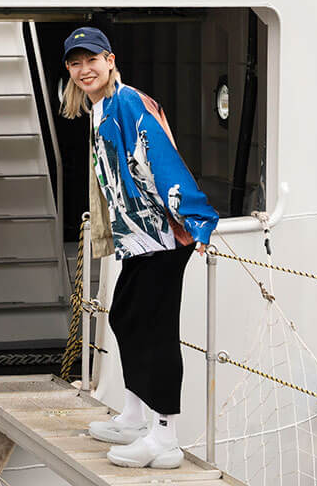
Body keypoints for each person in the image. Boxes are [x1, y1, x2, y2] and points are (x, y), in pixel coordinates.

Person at [60, 26, 218, 470]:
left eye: (92, 60)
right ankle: (133, 417)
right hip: (138, 238)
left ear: (109, 60)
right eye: (75, 63)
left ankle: (165, 436)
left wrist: (196, 218)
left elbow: (163, 158)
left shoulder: (129, 102)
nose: (84, 69)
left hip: (164, 236)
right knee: (126, 319)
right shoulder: (101, 108)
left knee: (156, 333)